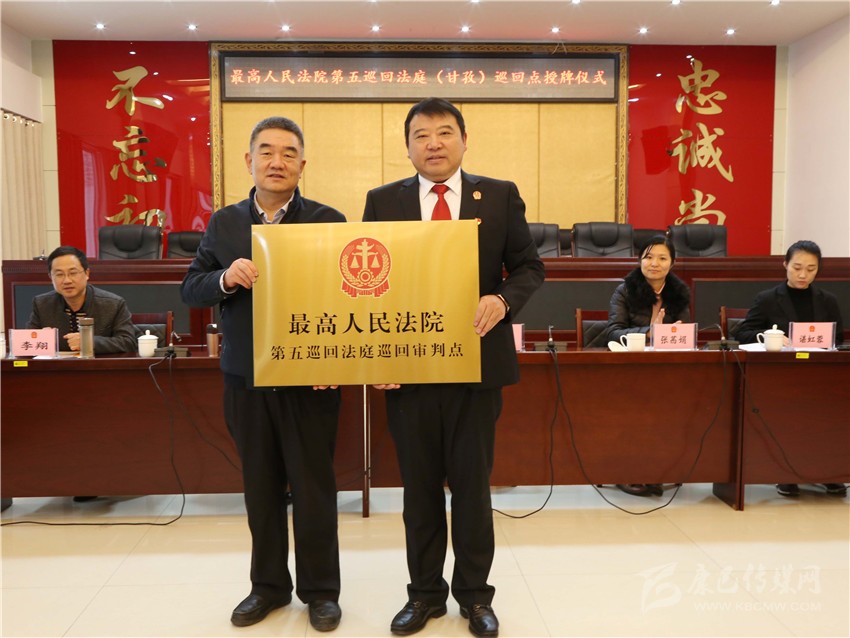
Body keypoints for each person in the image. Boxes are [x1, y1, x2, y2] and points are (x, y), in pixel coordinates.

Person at [363, 98, 545, 638]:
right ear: (408, 147)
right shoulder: (383, 201)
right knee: (418, 490)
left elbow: (529, 267)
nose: (434, 143)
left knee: (471, 488)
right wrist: (377, 355)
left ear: (465, 140)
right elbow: (370, 288)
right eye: (421, 135)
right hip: (409, 369)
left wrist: (502, 300)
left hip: (477, 366)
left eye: (444, 132)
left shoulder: (500, 195)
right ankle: (424, 595)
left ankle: (475, 596)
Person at [180, 116, 345, 632]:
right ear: (248, 160)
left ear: (303, 164)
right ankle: (268, 587)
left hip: (311, 379)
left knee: (314, 488)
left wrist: (336, 362)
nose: (277, 162)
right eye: (267, 151)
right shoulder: (224, 223)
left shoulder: (328, 220)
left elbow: (349, 298)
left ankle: (321, 591)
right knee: (261, 487)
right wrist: (225, 278)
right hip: (246, 378)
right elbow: (191, 288)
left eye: (289, 153)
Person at [735, 239, 846, 498]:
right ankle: (785, 473)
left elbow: (838, 338)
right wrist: (769, 336)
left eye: (811, 269)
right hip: (780, 375)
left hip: (819, 374)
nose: (803, 274)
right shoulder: (767, 299)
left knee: (830, 415)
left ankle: (828, 472)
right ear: (785, 264)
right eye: (797, 267)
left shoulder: (828, 300)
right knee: (788, 413)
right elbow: (742, 332)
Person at [604, 234, 691, 498]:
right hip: (629, 369)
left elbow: (686, 332)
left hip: (666, 368)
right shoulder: (625, 290)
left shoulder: (679, 293)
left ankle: (659, 469)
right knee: (633, 413)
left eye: (662, 258)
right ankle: (628, 471)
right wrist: (649, 332)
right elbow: (612, 332)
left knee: (671, 410)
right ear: (639, 260)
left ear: (672, 263)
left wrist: (674, 332)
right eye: (648, 257)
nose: (654, 263)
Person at [27, 245, 137, 354]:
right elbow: (26, 344)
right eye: (59, 274)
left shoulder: (113, 304)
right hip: (58, 365)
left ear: (87, 273)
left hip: (98, 365)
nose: (67, 280)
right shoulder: (42, 304)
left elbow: (129, 342)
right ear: (51, 277)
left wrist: (88, 342)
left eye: (73, 273)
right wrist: (40, 338)